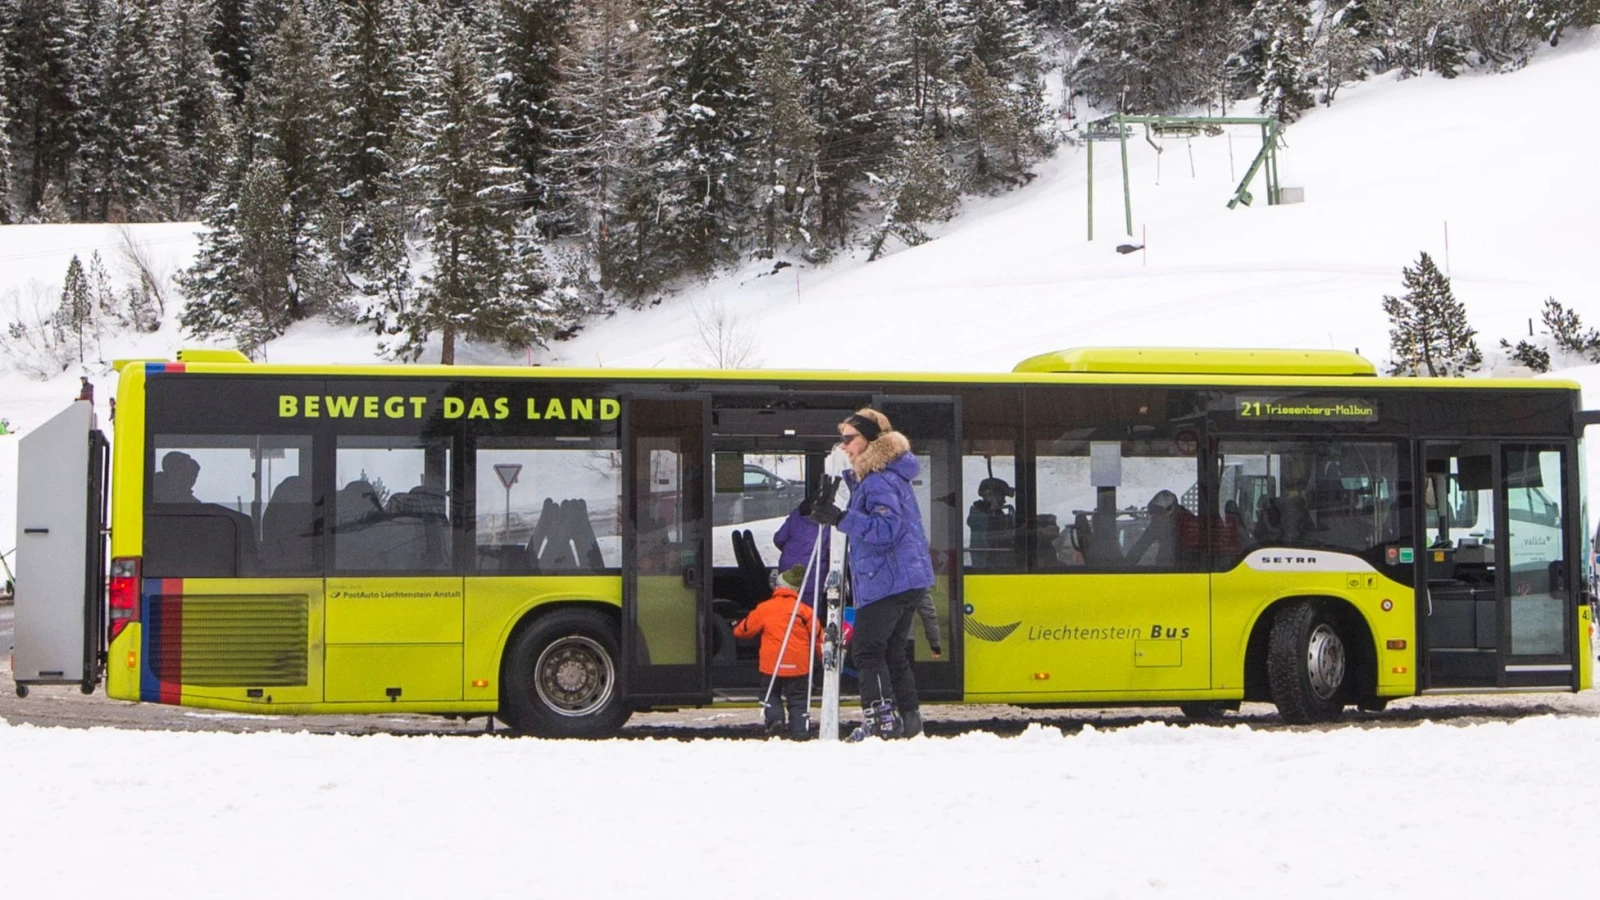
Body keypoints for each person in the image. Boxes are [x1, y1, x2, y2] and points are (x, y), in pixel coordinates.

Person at [808, 408, 935, 740]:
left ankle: (881, 722)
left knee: (866, 649)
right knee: (891, 651)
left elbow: (886, 528)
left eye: (850, 438)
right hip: (904, 579)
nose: (844, 446)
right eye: (842, 439)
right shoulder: (882, 474)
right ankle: (908, 720)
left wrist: (840, 518)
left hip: (888, 580)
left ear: (870, 441)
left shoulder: (879, 478)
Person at [732, 565, 816, 740]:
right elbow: (818, 635)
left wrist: (736, 627)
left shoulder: (765, 608)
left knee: (769, 693)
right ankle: (800, 731)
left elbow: (745, 630)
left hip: (772, 663)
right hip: (799, 664)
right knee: (798, 699)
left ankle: (775, 719)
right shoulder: (805, 611)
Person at [773, 487, 829, 601]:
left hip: (787, 573)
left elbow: (779, 539)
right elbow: (833, 550)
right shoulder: (828, 523)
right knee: (810, 613)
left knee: (787, 607)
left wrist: (792, 552)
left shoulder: (796, 515)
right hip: (813, 575)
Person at [967, 476, 1017, 569]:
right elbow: (992, 535)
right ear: (988, 496)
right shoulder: (979, 515)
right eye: (1001, 497)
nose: (1004, 501)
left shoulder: (995, 513)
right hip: (988, 565)